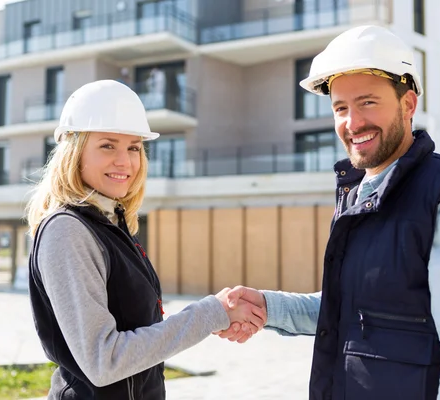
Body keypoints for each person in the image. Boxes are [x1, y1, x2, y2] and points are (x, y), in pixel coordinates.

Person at [215, 25, 440, 400]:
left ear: (408, 104)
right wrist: (269, 306)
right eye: (341, 108)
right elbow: (356, 308)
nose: (352, 123)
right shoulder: (359, 196)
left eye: (368, 102)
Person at [26, 79, 264, 399]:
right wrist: (209, 314)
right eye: (108, 145)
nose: (124, 161)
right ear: (75, 151)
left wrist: (214, 317)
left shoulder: (112, 225)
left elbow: (140, 336)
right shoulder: (67, 231)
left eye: (134, 148)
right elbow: (103, 360)